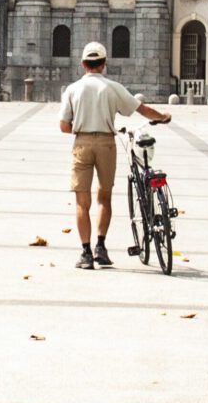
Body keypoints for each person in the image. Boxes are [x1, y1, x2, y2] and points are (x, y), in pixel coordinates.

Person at [59, 41, 171, 271]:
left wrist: (82, 128)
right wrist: (162, 116)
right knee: (104, 197)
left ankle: (85, 253)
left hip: (82, 143)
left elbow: (63, 125)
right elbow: (140, 108)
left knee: (82, 202)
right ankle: (101, 247)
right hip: (106, 145)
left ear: (83, 64)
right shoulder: (112, 87)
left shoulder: (72, 89)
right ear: (103, 64)